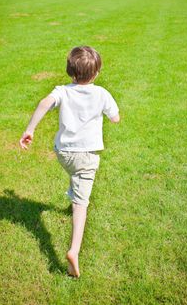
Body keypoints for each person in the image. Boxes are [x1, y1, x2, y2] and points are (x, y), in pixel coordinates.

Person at [19, 46, 120, 277]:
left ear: (69, 71)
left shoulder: (62, 91)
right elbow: (115, 119)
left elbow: (45, 102)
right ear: (96, 73)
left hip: (63, 153)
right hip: (86, 156)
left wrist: (30, 130)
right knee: (81, 204)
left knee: (75, 176)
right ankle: (74, 251)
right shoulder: (102, 94)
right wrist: (111, 114)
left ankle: (74, 193)